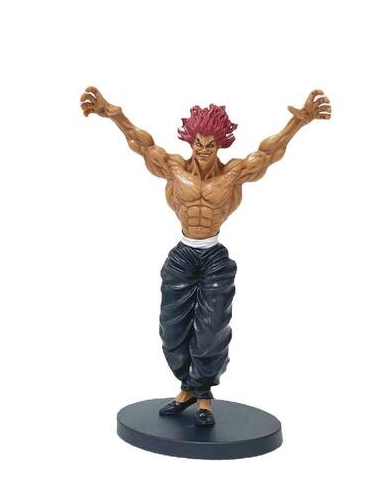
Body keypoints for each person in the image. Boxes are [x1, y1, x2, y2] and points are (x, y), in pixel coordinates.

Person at [80, 87, 331, 425]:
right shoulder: (173, 168)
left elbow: (270, 153)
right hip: (183, 255)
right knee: (172, 330)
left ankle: (203, 396)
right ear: (190, 141)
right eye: (198, 143)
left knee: (211, 330)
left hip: (213, 257)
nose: (203, 150)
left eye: (210, 145)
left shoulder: (233, 174)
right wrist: (114, 114)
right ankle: (186, 388)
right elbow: (141, 144)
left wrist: (298, 122)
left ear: (220, 145)